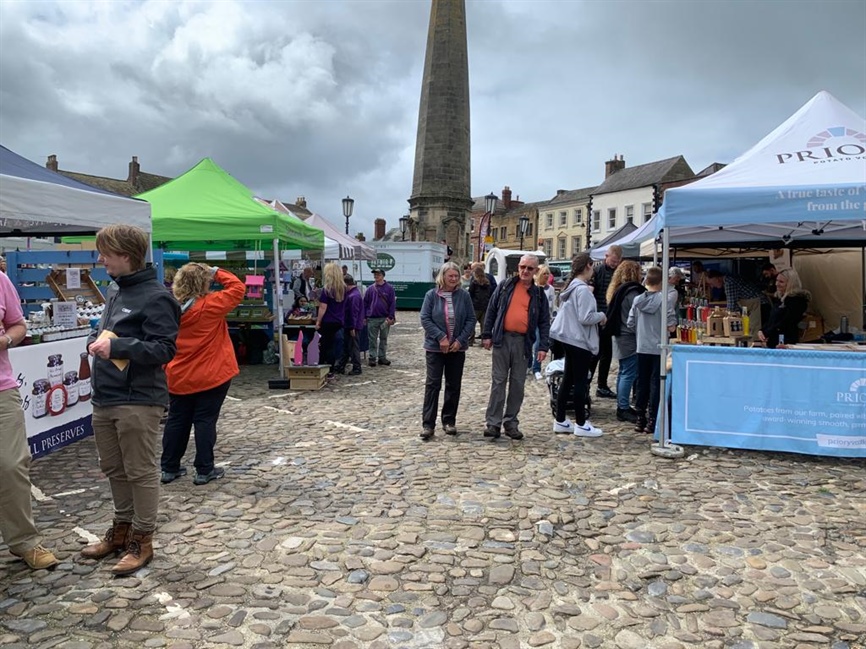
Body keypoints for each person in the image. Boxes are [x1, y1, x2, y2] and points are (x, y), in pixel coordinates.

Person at [82, 224, 180, 576]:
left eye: (105, 252)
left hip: (138, 398)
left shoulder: (157, 297)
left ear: (125, 254)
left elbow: (165, 349)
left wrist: (118, 347)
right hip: (105, 396)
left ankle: (143, 539)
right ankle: (122, 530)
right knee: (113, 467)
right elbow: (112, 332)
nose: (100, 258)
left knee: (139, 471)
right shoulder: (114, 290)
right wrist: (96, 340)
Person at [161, 263, 245, 486]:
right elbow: (237, 288)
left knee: (177, 420)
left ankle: (169, 467)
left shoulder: (169, 308)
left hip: (178, 374)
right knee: (205, 421)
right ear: (204, 282)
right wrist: (216, 271)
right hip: (211, 374)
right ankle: (204, 469)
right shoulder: (210, 305)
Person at [0, 272, 59, 570]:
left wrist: (6, 339)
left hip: (1, 389)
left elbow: (18, 324)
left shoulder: (0, 280)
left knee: (12, 464)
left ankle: (24, 541)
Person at [482, 254, 550, 440]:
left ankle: (511, 422)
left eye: (530, 268)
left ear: (536, 271)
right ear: (518, 267)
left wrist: (543, 346)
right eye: (522, 267)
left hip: (523, 343)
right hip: (502, 339)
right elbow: (492, 309)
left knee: (518, 384)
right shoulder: (505, 286)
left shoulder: (538, 294)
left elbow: (544, 321)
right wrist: (487, 334)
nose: (525, 271)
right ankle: (493, 423)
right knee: (498, 382)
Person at [551, 253, 607, 437]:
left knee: (568, 379)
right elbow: (585, 317)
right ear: (588, 266)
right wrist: (601, 316)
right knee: (580, 381)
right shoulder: (581, 289)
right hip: (579, 340)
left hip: (569, 338)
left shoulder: (573, 287)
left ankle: (560, 420)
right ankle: (581, 423)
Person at [419, 262, 475, 440]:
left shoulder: (463, 296)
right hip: (435, 348)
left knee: (453, 384)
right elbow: (425, 318)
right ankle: (428, 424)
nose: (453, 279)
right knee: (433, 384)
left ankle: (449, 420)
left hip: (456, 349)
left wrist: (460, 340)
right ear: (442, 277)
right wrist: (440, 337)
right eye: (450, 276)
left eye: (456, 276)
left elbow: (471, 319)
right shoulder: (431, 295)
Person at [627, 266, 677, 436]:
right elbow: (671, 326)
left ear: (646, 281)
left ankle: (640, 418)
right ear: (661, 281)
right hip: (659, 347)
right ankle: (652, 420)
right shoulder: (665, 300)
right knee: (656, 383)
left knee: (642, 382)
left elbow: (630, 323)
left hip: (642, 345)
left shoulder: (637, 300)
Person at [605, 261, 645, 423]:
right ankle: (623, 407)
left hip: (620, 334)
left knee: (624, 372)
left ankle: (623, 405)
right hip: (629, 336)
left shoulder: (618, 290)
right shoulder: (632, 293)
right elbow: (636, 318)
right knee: (628, 373)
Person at [590, 245, 623, 399]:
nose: (614, 264)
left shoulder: (618, 273)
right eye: (613, 260)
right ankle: (589, 383)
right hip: (597, 317)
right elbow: (592, 294)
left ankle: (601, 385)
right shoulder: (597, 271)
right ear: (606, 256)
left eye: (617, 262)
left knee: (606, 354)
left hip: (610, 318)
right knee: (595, 353)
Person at [758, 268, 810, 349]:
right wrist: (762, 330)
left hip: (786, 342)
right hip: (773, 341)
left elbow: (785, 321)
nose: (777, 284)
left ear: (790, 284)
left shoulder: (797, 301)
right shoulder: (780, 299)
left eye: (781, 282)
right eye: (777, 281)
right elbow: (772, 319)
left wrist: (767, 332)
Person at [706, 269, 767, 334]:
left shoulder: (729, 282)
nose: (712, 286)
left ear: (717, 279)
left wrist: (725, 317)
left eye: (711, 283)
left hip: (760, 305)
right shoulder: (729, 279)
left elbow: (732, 304)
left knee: (755, 331)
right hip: (756, 305)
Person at [315, 262, 346, 377]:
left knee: (324, 345)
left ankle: (322, 367)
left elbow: (323, 307)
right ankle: (331, 368)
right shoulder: (343, 288)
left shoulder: (327, 289)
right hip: (339, 320)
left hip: (328, 320)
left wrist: (318, 321)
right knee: (333, 345)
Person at [364, 268, 396, 367]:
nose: (376, 276)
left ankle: (382, 357)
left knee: (383, 338)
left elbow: (392, 303)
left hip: (384, 318)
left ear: (382, 276)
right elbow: (365, 303)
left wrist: (391, 316)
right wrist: (364, 316)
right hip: (372, 318)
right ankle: (372, 357)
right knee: (372, 339)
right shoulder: (370, 289)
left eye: (378, 274)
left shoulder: (389, 288)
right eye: (375, 275)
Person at [335, 275, 365, 375]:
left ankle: (357, 367)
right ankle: (341, 366)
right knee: (347, 347)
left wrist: (353, 327)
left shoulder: (353, 296)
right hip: (350, 325)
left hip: (352, 326)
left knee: (353, 347)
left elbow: (353, 313)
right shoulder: (354, 294)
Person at [531, 265, 556, 380]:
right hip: (532, 319)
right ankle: (528, 364)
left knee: (538, 345)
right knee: (529, 343)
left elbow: (552, 305)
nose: (546, 276)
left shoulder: (550, 289)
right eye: (544, 273)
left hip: (543, 320)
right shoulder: (534, 287)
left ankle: (536, 368)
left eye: (548, 273)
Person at [468, 264, 493, 347]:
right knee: (484, 325)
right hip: (485, 306)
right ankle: (483, 341)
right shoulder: (487, 282)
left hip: (475, 306)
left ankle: (470, 340)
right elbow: (490, 293)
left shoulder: (474, 282)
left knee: (472, 324)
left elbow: (470, 293)